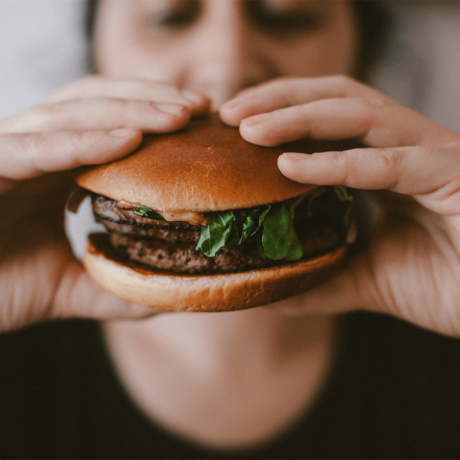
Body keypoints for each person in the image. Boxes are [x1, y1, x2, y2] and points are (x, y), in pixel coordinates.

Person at [1, 1, 460, 458]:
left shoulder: (442, 328)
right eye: (168, 17)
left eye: (288, 16)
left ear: (361, 52)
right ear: (95, 53)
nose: (227, 68)